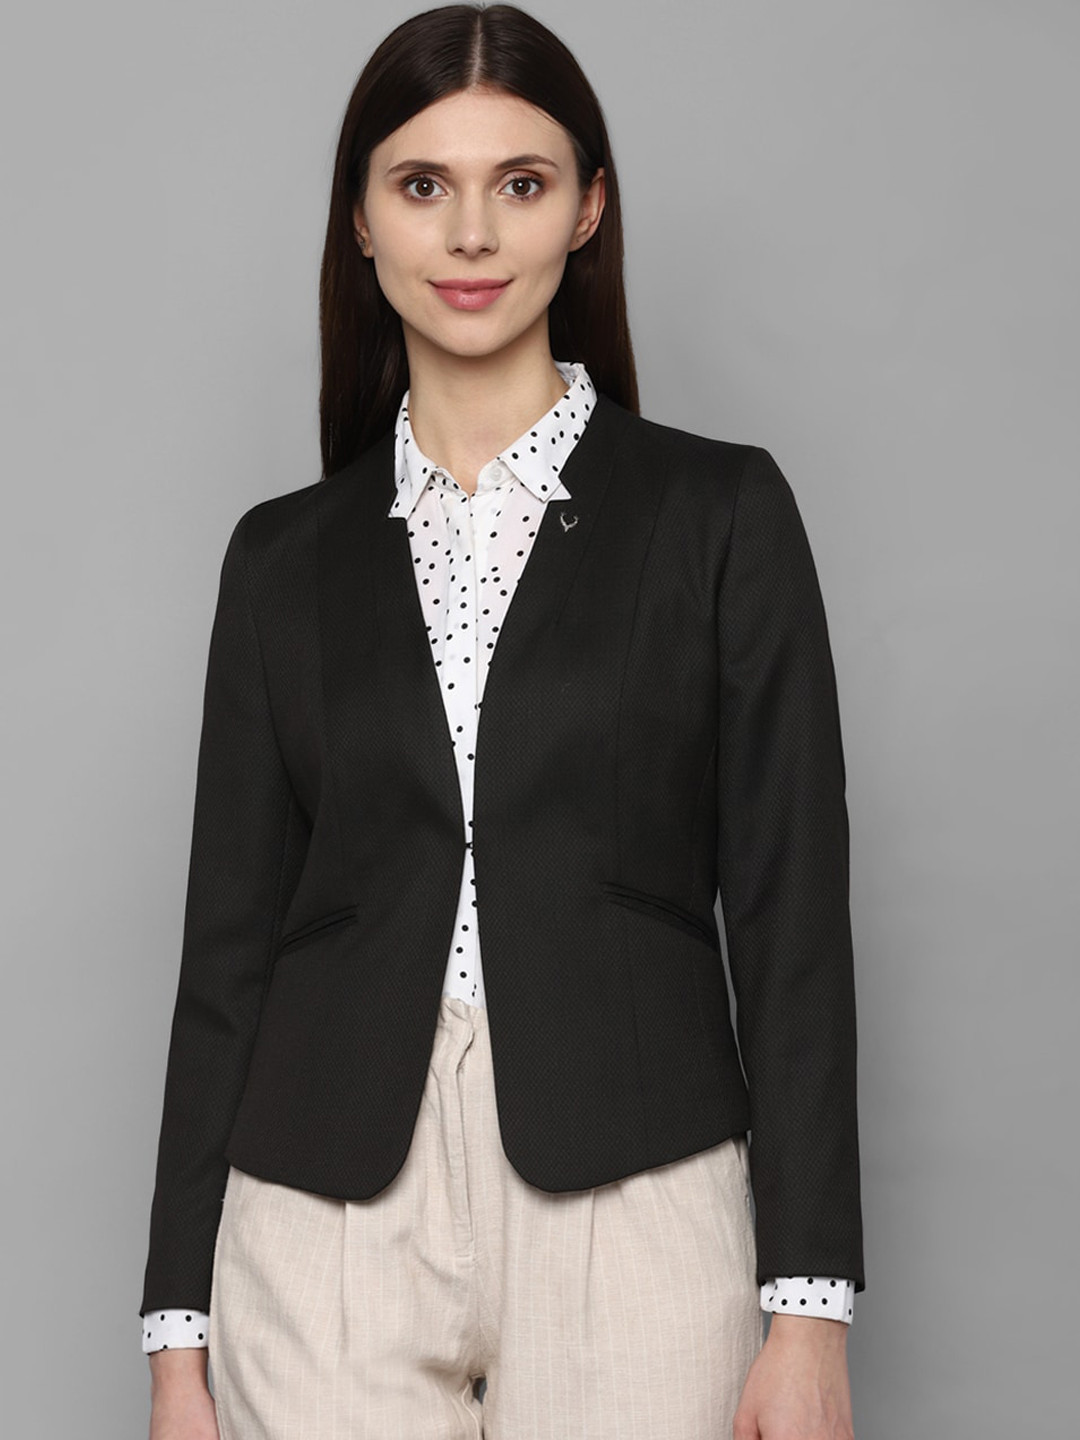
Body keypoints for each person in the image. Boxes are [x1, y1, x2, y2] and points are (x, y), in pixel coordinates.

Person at [140, 5, 865, 1437]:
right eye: (422, 184)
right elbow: (224, 953)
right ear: (360, 219)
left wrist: (809, 1309)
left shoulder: (719, 515)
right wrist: (175, 1341)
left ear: (588, 209)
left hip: (639, 1190)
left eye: (520, 183)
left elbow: (794, 928)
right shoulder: (281, 560)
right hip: (323, 1215)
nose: (471, 233)